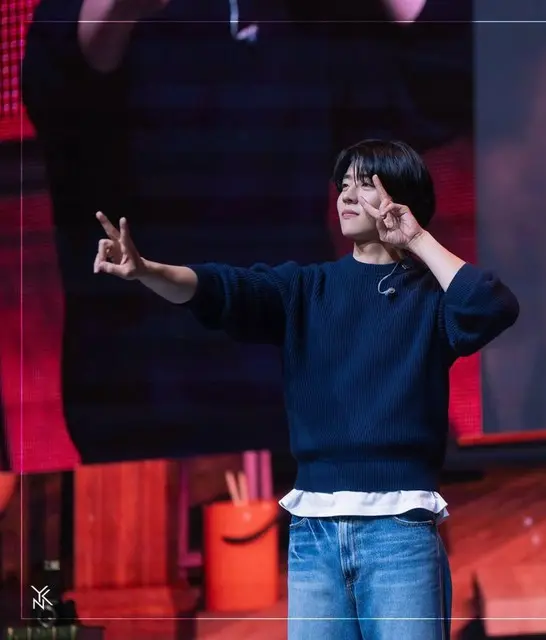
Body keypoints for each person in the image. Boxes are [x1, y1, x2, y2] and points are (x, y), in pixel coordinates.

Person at [93, 138, 519, 639]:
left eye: (364, 185)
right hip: (313, 535)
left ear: (400, 199)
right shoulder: (305, 288)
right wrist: (147, 271)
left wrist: (417, 239)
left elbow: (492, 307)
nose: (346, 196)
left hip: (400, 532)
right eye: (343, 185)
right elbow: (222, 289)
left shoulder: (429, 296)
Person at [20, 0, 473, 464]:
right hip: (147, 407)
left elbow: (439, 87)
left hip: (304, 396)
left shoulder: (306, 23)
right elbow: (65, 81)